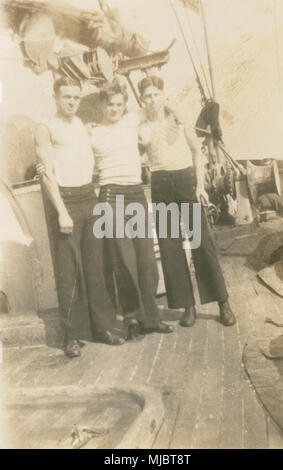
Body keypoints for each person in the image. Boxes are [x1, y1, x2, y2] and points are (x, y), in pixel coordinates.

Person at [35, 77, 125, 358]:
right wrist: (61, 210)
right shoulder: (44, 128)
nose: (72, 102)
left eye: (76, 97)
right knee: (68, 271)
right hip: (66, 201)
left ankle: (103, 327)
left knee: (95, 267)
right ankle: (71, 335)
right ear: (55, 97)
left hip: (89, 196)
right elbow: (46, 173)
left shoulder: (80, 125)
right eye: (67, 97)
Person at [138, 76, 237, 328]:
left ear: (162, 95)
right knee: (170, 247)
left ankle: (223, 303)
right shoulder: (141, 127)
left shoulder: (178, 118)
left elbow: (197, 153)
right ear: (142, 100)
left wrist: (200, 186)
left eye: (156, 94)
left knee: (201, 241)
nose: (152, 99)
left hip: (184, 180)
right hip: (160, 183)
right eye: (147, 96)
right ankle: (187, 307)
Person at [89, 81, 174, 340]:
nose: (114, 108)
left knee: (146, 260)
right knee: (123, 262)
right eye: (110, 104)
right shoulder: (91, 133)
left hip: (135, 194)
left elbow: (155, 104)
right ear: (102, 105)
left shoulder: (131, 120)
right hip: (109, 196)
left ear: (125, 105)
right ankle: (131, 318)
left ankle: (152, 317)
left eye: (118, 104)